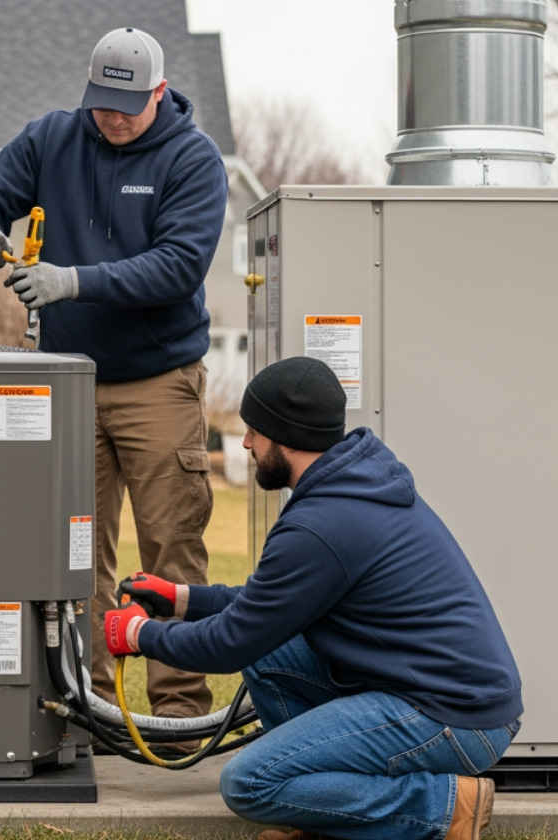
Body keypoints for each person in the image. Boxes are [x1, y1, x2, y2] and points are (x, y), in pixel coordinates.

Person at [105, 357, 523, 840]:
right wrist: (181, 599)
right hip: (439, 694)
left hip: (451, 718)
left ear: (283, 436)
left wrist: (139, 634)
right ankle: (324, 815)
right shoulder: (351, 485)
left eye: (253, 432)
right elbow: (269, 608)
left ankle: (445, 808)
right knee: (272, 654)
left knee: (248, 783)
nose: (245, 444)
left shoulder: (322, 524)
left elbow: (230, 643)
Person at [0, 27, 228, 728]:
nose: (113, 117)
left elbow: (177, 267)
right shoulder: (53, 139)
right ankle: (86, 706)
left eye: (128, 105)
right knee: (73, 550)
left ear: (160, 92)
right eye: (102, 102)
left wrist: (73, 280)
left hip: (158, 381)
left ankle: (179, 709)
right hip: (67, 384)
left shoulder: (193, 161)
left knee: (172, 548)